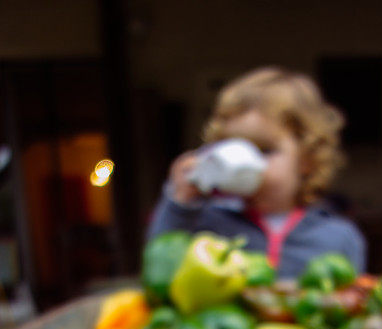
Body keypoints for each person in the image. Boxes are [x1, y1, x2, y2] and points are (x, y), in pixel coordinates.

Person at [147, 67, 367, 280]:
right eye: (238, 149)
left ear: (306, 160)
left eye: (265, 150)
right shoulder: (208, 225)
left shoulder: (339, 238)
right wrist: (181, 203)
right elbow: (160, 266)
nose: (249, 164)